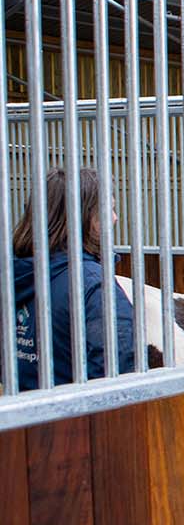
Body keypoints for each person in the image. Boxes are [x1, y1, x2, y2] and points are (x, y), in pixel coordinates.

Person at [13, 166, 135, 389]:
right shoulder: (92, 284)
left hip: (24, 415)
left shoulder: (16, 276)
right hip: (75, 420)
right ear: (84, 216)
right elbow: (119, 369)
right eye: (108, 210)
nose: (115, 218)